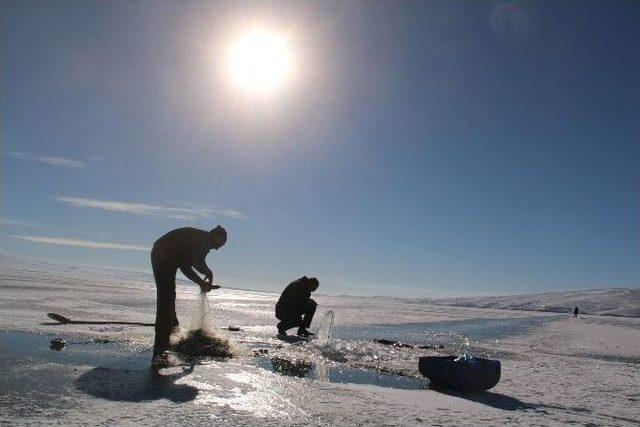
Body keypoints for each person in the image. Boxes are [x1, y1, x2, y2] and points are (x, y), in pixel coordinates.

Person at [150, 225, 227, 362]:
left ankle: (172, 333)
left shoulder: (204, 241)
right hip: (163, 255)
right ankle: (162, 344)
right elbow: (185, 266)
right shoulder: (202, 240)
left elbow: (198, 261)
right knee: (166, 298)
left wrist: (208, 272)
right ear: (215, 236)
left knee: (169, 297)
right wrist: (201, 282)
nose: (216, 248)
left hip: (163, 253)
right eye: (218, 245)